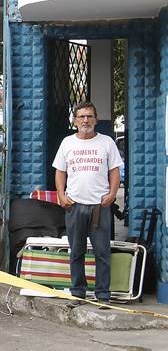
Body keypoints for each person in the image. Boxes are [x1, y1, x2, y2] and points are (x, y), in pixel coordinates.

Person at [53, 101, 122, 308]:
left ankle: (102, 295)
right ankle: (78, 293)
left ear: (96, 120)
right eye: (81, 116)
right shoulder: (67, 143)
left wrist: (112, 194)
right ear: (75, 121)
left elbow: (114, 170)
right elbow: (60, 171)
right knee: (76, 252)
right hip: (74, 205)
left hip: (100, 207)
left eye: (89, 116)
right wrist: (61, 195)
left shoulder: (107, 142)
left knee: (102, 252)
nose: (85, 120)